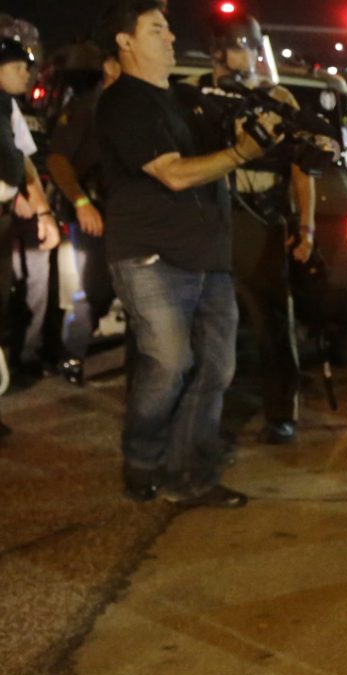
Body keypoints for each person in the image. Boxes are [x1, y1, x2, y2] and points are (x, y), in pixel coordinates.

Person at [95, 0, 262, 507]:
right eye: (157, 30)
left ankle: (189, 472)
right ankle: (142, 459)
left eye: (169, 30)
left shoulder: (185, 98)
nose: (171, 38)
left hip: (208, 256)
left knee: (216, 369)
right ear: (125, 41)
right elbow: (172, 172)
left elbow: (223, 147)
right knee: (170, 365)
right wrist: (241, 154)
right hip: (151, 257)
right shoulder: (124, 102)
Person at [191, 14, 310, 444]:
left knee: (272, 321)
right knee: (204, 323)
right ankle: (203, 420)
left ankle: (282, 412)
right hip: (209, 220)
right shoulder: (194, 94)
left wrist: (307, 227)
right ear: (218, 51)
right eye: (241, 46)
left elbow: (301, 168)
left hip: (260, 220)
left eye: (253, 47)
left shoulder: (277, 98)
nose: (251, 56)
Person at [43, 43, 120, 386]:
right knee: (93, 292)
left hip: (119, 211)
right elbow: (57, 159)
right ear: (109, 67)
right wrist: (82, 202)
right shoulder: (88, 105)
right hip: (94, 212)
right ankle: (71, 357)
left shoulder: (115, 104)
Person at [0, 37, 62, 380]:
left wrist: (40, 208)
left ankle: (19, 362)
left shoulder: (10, 107)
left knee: (18, 297)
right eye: (18, 66)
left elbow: (22, 158)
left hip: (9, 214)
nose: (27, 74)